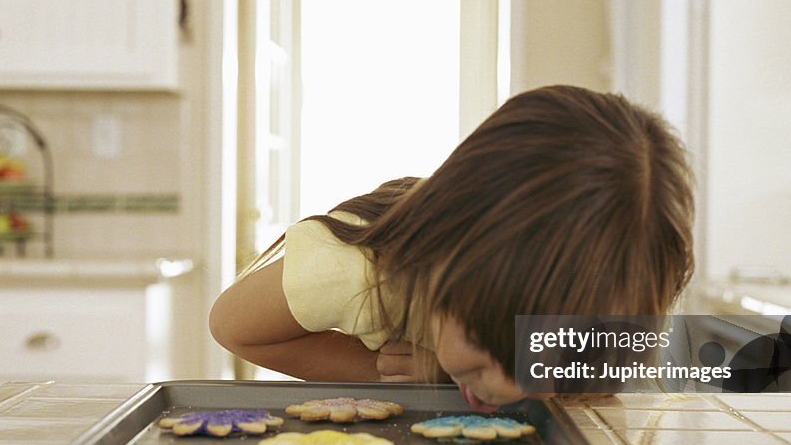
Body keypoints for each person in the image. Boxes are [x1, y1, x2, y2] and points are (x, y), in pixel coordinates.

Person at [209, 85, 695, 410]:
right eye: (487, 346)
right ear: (446, 255)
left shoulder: (611, 306)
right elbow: (233, 328)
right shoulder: (359, 271)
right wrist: (406, 372)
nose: (508, 388)